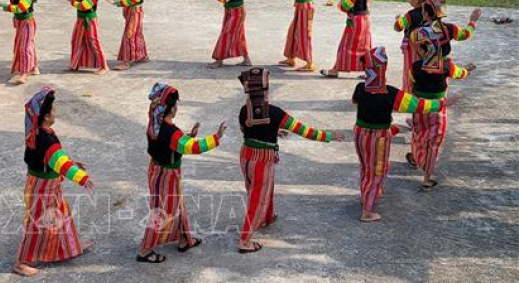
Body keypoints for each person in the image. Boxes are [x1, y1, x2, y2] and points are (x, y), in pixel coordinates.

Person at [237, 68, 343, 252]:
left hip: (246, 155)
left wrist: (274, 131)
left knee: (255, 189)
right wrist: (328, 136)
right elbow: (305, 131)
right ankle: (245, 241)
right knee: (257, 199)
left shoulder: (244, 110)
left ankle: (266, 217)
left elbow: (247, 130)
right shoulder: (276, 113)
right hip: (263, 159)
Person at [351, 47, 445, 221]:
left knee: (366, 167)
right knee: (377, 170)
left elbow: (357, 103)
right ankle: (367, 211)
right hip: (378, 137)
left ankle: (367, 195)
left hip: (360, 134)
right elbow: (418, 105)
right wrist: (441, 104)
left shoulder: (359, 88)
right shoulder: (390, 93)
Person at [137, 83, 226, 264]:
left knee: (177, 205)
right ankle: (144, 250)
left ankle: (184, 239)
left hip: (158, 170)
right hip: (166, 175)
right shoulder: (171, 132)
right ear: (172, 109)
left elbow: (174, 143)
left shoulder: (155, 122)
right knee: (162, 211)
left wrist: (188, 136)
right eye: (176, 105)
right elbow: (193, 147)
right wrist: (216, 137)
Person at [14, 87, 95, 277]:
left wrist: (71, 163)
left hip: (44, 185)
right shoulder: (46, 139)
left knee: (63, 215)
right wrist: (82, 178)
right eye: (53, 110)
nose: (56, 113)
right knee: (38, 224)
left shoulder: (37, 132)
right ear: (46, 116)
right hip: (43, 189)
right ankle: (20, 262)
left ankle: (70, 246)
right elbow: (60, 162)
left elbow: (54, 160)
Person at [407, 19, 476, 190]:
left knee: (418, 134)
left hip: (420, 107)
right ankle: (427, 178)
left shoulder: (415, 66)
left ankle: (416, 157)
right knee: (434, 143)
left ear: (423, 50)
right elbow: (460, 73)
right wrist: (468, 69)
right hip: (439, 109)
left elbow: (412, 84)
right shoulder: (446, 66)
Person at [53, 0, 109, 74]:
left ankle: (104, 66)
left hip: (90, 21)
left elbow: (84, 6)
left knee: (94, 42)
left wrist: (72, 1)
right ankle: (75, 64)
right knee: (75, 41)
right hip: (80, 20)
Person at [321, 0, 372, 77]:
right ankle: (369, 72)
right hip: (365, 20)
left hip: (355, 22)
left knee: (345, 46)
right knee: (364, 47)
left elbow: (344, 7)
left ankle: (335, 70)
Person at [206, 0, 252, 68]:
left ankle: (219, 60)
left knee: (226, 34)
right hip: (231, 12)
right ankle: (247, 60)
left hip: (237, 13)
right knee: (239, 36)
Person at [393, 0, 428, 92]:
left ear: (416, 0)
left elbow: (398, 27)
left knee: (410, 70)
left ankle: (409, 92)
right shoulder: (430, 11)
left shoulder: (411, 15)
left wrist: (398, 19)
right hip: (427, 45)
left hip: (412, 47)